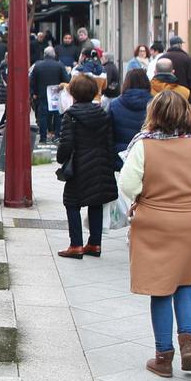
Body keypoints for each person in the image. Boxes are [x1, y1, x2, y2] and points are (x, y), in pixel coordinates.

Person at [119, 90, 191, 378]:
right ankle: (188, 342)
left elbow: (129, 185)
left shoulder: (144, 145)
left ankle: (163, 356)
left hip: (154, 221)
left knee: (160, 287)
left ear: (153, 114)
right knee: (185, 281)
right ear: (186, 113)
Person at [55, 74, 118, 259]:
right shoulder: (103, 114)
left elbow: (66, 144)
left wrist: (61, 158)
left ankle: (76, 245)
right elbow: (109, 141)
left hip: (79, 166)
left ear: (73, 92)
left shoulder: (71, 116)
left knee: (72, 203)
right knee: (96, 202)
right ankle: (94, 243)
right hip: (100, 165)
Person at [109, 68, 152, 170]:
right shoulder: (156, 103)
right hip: (148, 156)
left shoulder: (115, 104)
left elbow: (109, 134)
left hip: (121, 157)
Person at [29, 47, 70, 144]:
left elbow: (32, 81)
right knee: (57, 115)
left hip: (42, 94)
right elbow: (66, 79)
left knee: (42, 116)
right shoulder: (59, 65)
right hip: (56, 93)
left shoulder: (38, 66)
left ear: (44, 54)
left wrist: (34, 93)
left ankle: (43, 138)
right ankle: (57, 136)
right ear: (54, 55)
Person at [162, 36, 191, 103]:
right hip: (183, 95)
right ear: (180, 45)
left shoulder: (163, 58)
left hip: (165, 94)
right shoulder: (187, 58)